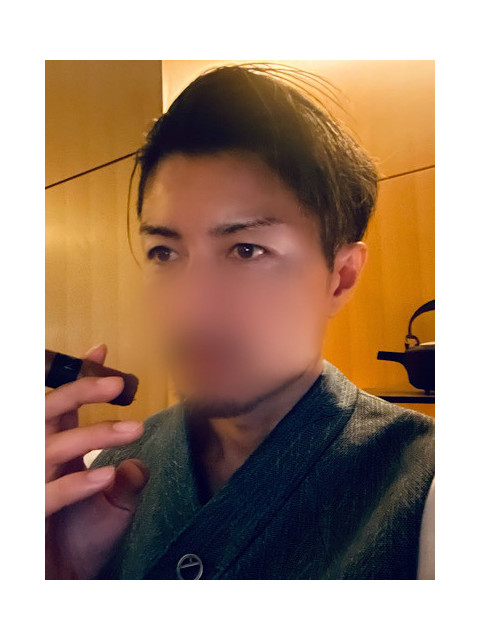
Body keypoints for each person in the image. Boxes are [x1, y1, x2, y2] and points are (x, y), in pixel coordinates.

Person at [45, 63, 434, 580]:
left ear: (340, 278)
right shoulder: (100, 476)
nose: (190, 306)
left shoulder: (426, 485)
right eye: (164, 253)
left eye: (246, 250)